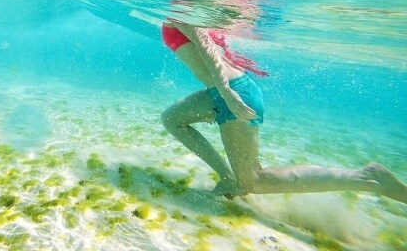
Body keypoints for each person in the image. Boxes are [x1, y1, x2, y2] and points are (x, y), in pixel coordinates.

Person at [160, 20, 407, 204]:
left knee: (254, 181)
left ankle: (367, 177)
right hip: (224, 92)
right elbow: (210, 44)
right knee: (172, 119)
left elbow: (204, 43)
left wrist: (225, 91)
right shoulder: (187, 7)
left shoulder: (180, 7)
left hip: (233, 93)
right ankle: (228, 177)